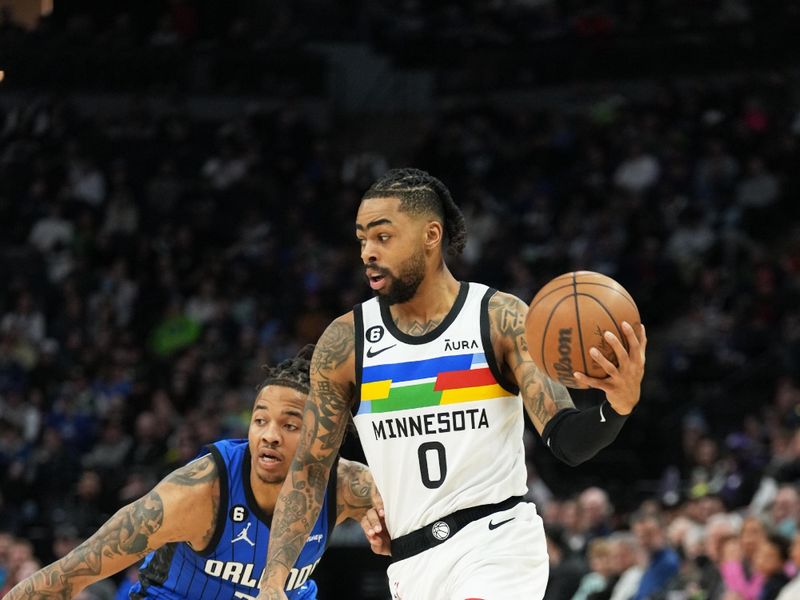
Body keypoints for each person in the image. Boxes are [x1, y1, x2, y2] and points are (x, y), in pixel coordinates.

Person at [258, 168, 647, 600]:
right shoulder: (345, 343)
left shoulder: (499, 318)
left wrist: (617, 406)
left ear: (431, 235)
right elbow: (310, 472)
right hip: (411, 564)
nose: (368, 251)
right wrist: (273, 580)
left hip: (498, 546)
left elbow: (567, 441)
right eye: (362, 238)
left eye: (383, 237)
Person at [5, 346, 387, 600]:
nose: (269, 436)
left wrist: (389, 525)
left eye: (290, 425)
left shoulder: (347, 486)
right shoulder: (200, 491)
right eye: (259, 420)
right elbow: (72, 572)